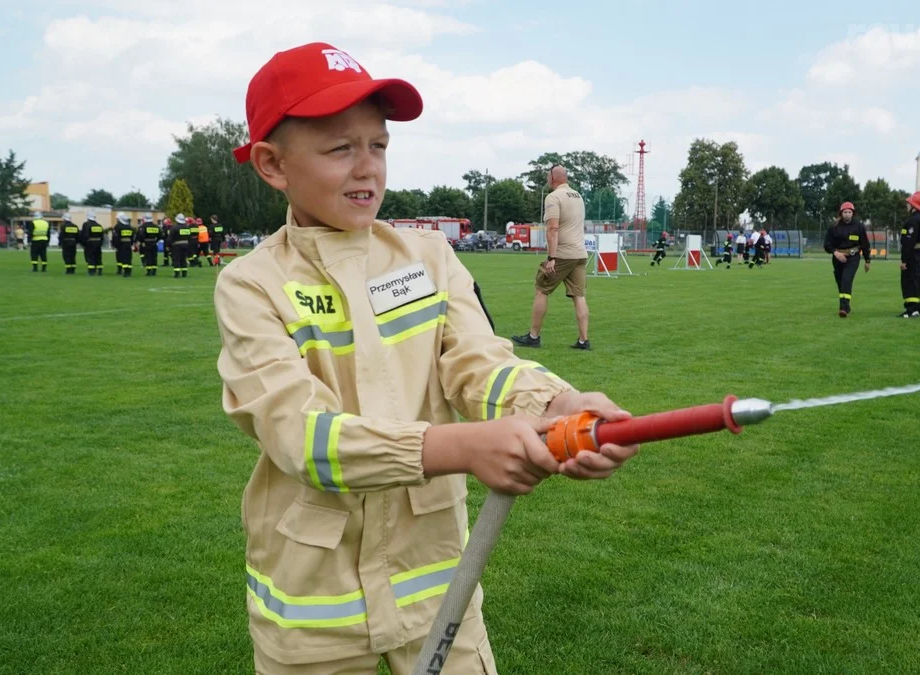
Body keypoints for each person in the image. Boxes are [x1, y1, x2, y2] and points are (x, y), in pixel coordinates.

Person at [214, 41, 639, 675]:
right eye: (340, 148)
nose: (368, 168)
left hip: (439, 586)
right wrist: (463, 448)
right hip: (313, 610)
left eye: (378, 146)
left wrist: (557, 404)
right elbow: (303, 437)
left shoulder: (429, 257)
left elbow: (478, 365)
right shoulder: (251, 284)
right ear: (273, 165)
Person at [511, 165, 591, 350]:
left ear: (553, 178)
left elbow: (553, 229)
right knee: (579, 296)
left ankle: (533, 336)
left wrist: (551, 257)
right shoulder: (578, 196)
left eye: (548, 175)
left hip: (562, 254)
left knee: (541, 290)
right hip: (580, 254)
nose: (547, 178)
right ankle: (583, 340)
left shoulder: (553, 197)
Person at [823, 202, 871, 317]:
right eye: (845, 212)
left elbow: (865, 244)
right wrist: (836, 253)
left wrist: (867, 260)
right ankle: (846, 306)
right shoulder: (834, 227)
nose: (847, 215)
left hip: (853, 257)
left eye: (850, 212)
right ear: (841, 213)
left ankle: (843, 308)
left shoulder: (858, 226)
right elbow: (827, 244)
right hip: (838, 258)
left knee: (846, 279)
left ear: (853, 213)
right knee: (840, 281)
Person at [898, 191, 920, 318]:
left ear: (914, 205)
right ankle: (919, 305)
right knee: (918, 279)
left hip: (913, 254)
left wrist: (904, 260)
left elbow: (908, 242)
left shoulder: (912, 221)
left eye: (909, 204)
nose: (907, 206)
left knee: (909, 280)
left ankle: (911, 309)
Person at [80, 210, 104, 276]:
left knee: (90, 257)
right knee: (98, 257)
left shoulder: (86, 224)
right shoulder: (99, 225)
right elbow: (102, 236)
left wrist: (83, 243)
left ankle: (91, 271)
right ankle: (100, 270)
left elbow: (84, 235)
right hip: (98, 243)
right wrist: (100, 243)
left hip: (90, 243)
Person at [112, 212, 136, 277]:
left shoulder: (118, 226)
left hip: (121, 245)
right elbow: (133, 237)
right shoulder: (129, 227)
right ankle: (129, 271)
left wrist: (115, 245)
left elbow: (116, 237)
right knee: (128, 258)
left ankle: (125, 272)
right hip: (128, 244)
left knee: (122, 258)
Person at [169, 214, 191, 278]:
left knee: (177, 259)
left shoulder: (174, 227)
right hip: (186, 245)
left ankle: (177, 274)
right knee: (183, 259)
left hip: (177, 245)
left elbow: (170, 237)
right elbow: (189, 237)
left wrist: (169, 245)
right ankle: (184, 274)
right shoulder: (187, 227)